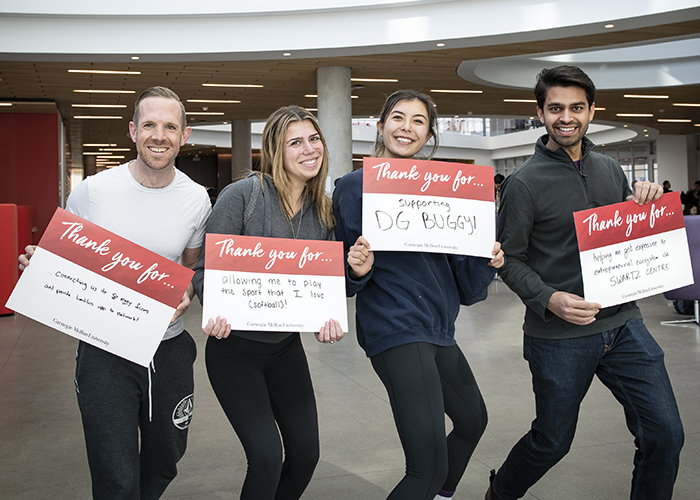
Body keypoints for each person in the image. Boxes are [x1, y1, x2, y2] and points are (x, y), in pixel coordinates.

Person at [486, 65, 684, 500]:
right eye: (555, 108)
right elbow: (509, 259)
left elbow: (626, 238)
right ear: (540, 113)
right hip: (559, 336)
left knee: (666, 435)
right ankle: (500, 492)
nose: (566, 117)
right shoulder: (522, 184)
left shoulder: (611, 169)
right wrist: (549, 298)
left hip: (624, 326)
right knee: (551, 441)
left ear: (592, 111)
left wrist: (645, 204)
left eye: (577, 107)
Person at [19, 86, 212, 499]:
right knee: (115, 473)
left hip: (169, 348)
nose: (159, 135)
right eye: (149, 125)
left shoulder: (196, 199)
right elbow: (62, 256)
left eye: (169, 126)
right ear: (132, 131)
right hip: (103, 352)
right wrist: (42, 265)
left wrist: (188, 292)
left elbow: (189, 267)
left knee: (166, 457)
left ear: (185, 135)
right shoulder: (93, 190)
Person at [333, 89, 504, 500]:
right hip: (394, 329)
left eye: (417, 121)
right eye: (397, 117)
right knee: (424, 471)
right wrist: (355, 269)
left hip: (439, 328)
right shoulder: (353, 188)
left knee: (472, 422)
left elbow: (466, 284)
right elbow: (339, 275)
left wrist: (486, 259)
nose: (406, 127)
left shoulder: (447, 188)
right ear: (379, 126)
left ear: (429, 134)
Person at [191, 105, 343, 500]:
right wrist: (215, 309)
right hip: (234, 350)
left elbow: (320, 284)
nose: (310, 149)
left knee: (307, 455)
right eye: (296, 142)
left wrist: (326, 318)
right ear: (276, 149)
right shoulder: (242, 197)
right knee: (265, 457)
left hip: (285, 348)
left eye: (314, 139)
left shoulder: (323, 211)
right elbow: (206, 272)